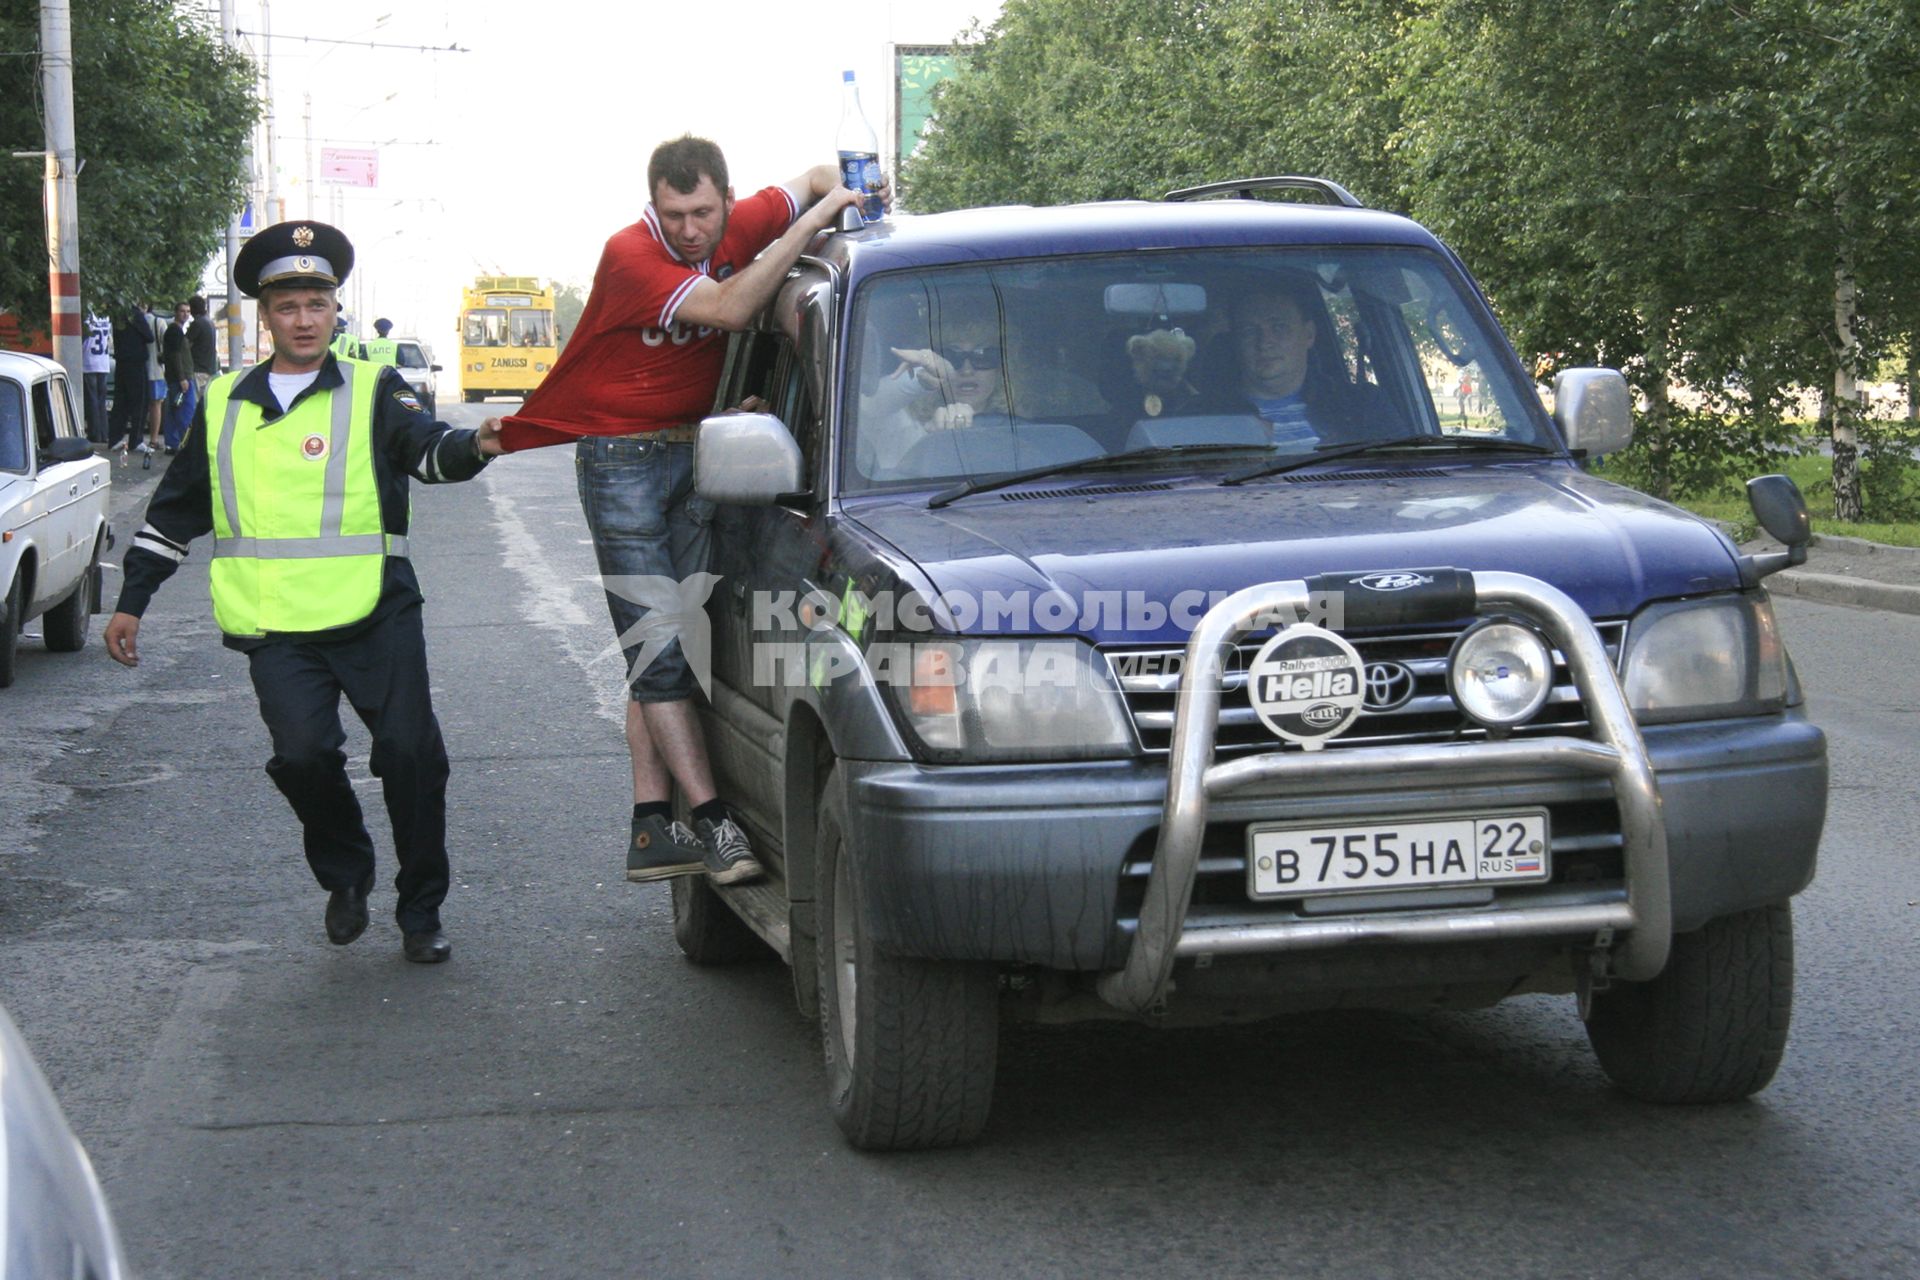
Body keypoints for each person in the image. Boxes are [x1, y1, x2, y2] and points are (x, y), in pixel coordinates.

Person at [103, 220, 507, 964]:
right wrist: (132, 601)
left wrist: (474, 445)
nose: (303, 318)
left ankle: (421, 913)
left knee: (411, 756)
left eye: (316, 303)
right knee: (302, 758)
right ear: (266, 316)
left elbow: (426, 454)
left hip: (375, 610)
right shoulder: (225, 402)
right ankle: (347, 874)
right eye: (287, 305)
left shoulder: (373, 388)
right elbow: (176, 510)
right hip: (277, 624)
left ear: (334, 310)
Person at [490, 135, 863, 887]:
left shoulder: (749, 216)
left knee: (675, 642)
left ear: (728, 198)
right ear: (652, 207)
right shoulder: (630, 254)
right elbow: (729, 308)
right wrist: (816, 218)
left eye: (702, 213)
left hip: (698, 452)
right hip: (620, 462)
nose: (690, 231)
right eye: (673, 215)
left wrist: (855, 190)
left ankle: (650, 825)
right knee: (658, 644)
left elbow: (824, 173)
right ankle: (714, 819)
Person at [109, 305, 150, 455]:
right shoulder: (136, 315)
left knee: (120, 402)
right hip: (136, 362)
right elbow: (149, 336)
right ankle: (136, 440)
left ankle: (115, 438)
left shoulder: (118, 315)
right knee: (140, 402)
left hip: (122, 361)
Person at [160, 301, 196, 453]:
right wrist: (182, 378)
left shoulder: (175, 331)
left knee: (174, 412)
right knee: (185, 413)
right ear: (175, 312)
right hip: (181, 379)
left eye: (188, 311)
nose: (185, 314)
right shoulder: (175, 331)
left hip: (176, 378)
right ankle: (185, 444)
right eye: (182, 311)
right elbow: (175, 356)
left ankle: (172, 444)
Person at [82, 309, 113, 444]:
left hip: (89, 361)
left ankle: (94, 433)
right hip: (103, 361)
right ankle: (104, 433)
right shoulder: (106, 317)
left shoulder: (87, 317)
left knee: (92, 400)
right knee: (101, 400)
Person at [187, 294, 219, 396]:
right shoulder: (209, 322)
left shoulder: (197, 324)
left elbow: (185, 345)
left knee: (197, 400)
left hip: (198, 369)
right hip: (209, 368)